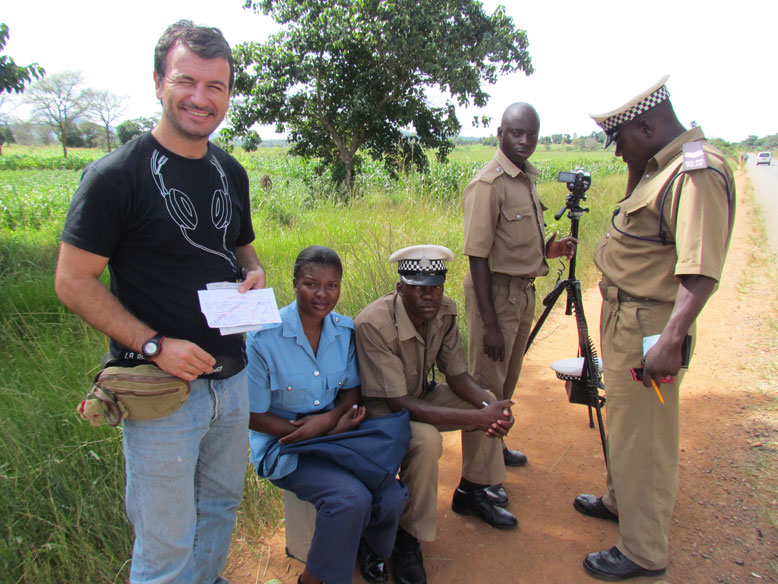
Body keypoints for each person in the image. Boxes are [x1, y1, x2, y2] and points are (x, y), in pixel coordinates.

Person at [54, 20, 265, 583]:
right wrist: (154, 345)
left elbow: (238, 245)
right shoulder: (114, 177)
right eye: (186, 80)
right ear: (157, 82)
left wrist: (254, 269)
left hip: (232, 379)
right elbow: (72, 281)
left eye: (215, 86)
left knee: (219, 512)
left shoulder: (230, 170)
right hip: (162, 390)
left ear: (227, 95)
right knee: (165, 544)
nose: (201, 98)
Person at [575, 75, 736, 581]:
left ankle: (643, 550)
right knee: (625, 421)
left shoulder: (696, 172)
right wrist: (636, 169)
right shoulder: (658, 170)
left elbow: (700, 268)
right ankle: (622, 501)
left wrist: (670, 341)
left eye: (620, 139)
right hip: (628, 317)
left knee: (646, 433)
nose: (617, 150)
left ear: (646, 126)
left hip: (651, 325)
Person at [355, 245, 518, 584]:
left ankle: (473, 489)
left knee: (485, 400)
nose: (429, 295)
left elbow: (456, 375)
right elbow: (398, 403)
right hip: (381, 411)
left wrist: (489, 410)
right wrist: (477, 420)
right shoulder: (373, 323)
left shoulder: (444, 310)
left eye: (435, 285)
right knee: (426, 440)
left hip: (418, 395)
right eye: (418, 287)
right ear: (400, 288)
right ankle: (406, 537)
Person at [247, 246, 407, 584]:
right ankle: (315, 579)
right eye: (311, 284)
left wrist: (332, 419)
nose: (322, 294)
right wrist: (323, 430)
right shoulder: (262, 338)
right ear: (293, 284)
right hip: (287, 445)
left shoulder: (344, 332)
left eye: (332, 285)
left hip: (335, 436)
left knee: (391, 495)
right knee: (349, 499)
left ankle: (370, 549)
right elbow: (253, 416)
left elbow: (351, 390)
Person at [462, 102, 576, 475]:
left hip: (521, 294)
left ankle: (496, 447)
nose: (525, 140)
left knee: (506, 379)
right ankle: (476, 482)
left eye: (531, 134)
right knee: (486, 386)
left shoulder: (525, 178)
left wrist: (550, 251)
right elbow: (477, 258)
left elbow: (511, 242)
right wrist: (490, 323)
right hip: (494, 296)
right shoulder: (488, 184)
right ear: (500, 134)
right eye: (516, 132)